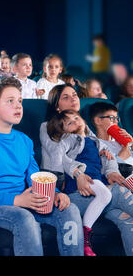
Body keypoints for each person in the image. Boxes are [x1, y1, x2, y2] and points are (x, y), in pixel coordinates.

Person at [0, 77, 83, 256]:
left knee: (69, 209)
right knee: (24, 217)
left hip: (23, 200)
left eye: (19, 101)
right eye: (10, 101)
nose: (18, 106)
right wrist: (16, 200)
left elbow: (35, 177)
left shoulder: (25, 141)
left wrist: (56, 194)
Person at [40, 84, 133, 256]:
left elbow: (104, 155)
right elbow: (58, 159)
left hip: (98, 189)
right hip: (72, 192)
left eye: (74, 94)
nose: (73, 98)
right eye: (65, 97)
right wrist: (78, 173)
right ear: (57, 107)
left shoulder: (84, 128)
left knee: (129, 223)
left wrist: (112, 171)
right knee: (121, 192)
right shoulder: (50, 127)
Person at [46, 109, 119, 255]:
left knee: (108, 193)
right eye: (69, 123)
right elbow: (60, 155)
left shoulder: (94, 141)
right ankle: (86, 233)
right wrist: (76, 172)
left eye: (76, 118)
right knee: (105, 195)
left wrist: (105, 154)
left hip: (97, 178)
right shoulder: (70, 139)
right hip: (84, 178)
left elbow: (109, 160)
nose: (75, 122)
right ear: (64, 131)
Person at [90, 102, 133, 166]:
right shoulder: (95, 144)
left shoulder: (119, 142)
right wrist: (120, 158)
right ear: (98, 121)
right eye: (112, 118)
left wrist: (131, 144)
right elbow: (104, 171)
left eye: (117, 118)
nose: (116, 122)